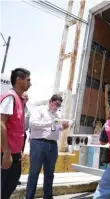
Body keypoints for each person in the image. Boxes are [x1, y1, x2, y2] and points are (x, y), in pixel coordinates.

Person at [25, 94, 69, 199]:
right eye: (56, 104)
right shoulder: (40, 110)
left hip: (53, 145)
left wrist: (63, 127)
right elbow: (32, 124)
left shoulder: (57, 114)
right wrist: (50, 122)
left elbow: (56, 128)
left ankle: (48, 196)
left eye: (59, 105)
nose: (57, 107)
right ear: (50, 101)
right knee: (34, 172)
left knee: (50, 173)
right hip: (39, 143)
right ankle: (29, 197)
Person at [1, 68, 31, 199]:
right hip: (4, 153)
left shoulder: (20, 100)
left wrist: (17, 152)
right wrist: (6, 152)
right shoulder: (10, 98)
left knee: (9, 187)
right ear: (19, 80)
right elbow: (1, 125)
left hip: (14, 154)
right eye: (28, 80)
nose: (30, 83)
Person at [18, 91, 31, 185]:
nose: (26, 98)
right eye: (24, 96)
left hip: (22, 134)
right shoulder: (15, 106)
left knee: (19, 156)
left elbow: (28, 125)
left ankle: (15, 177)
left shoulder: (28, 110)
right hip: (12, 134)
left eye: (27, 97)